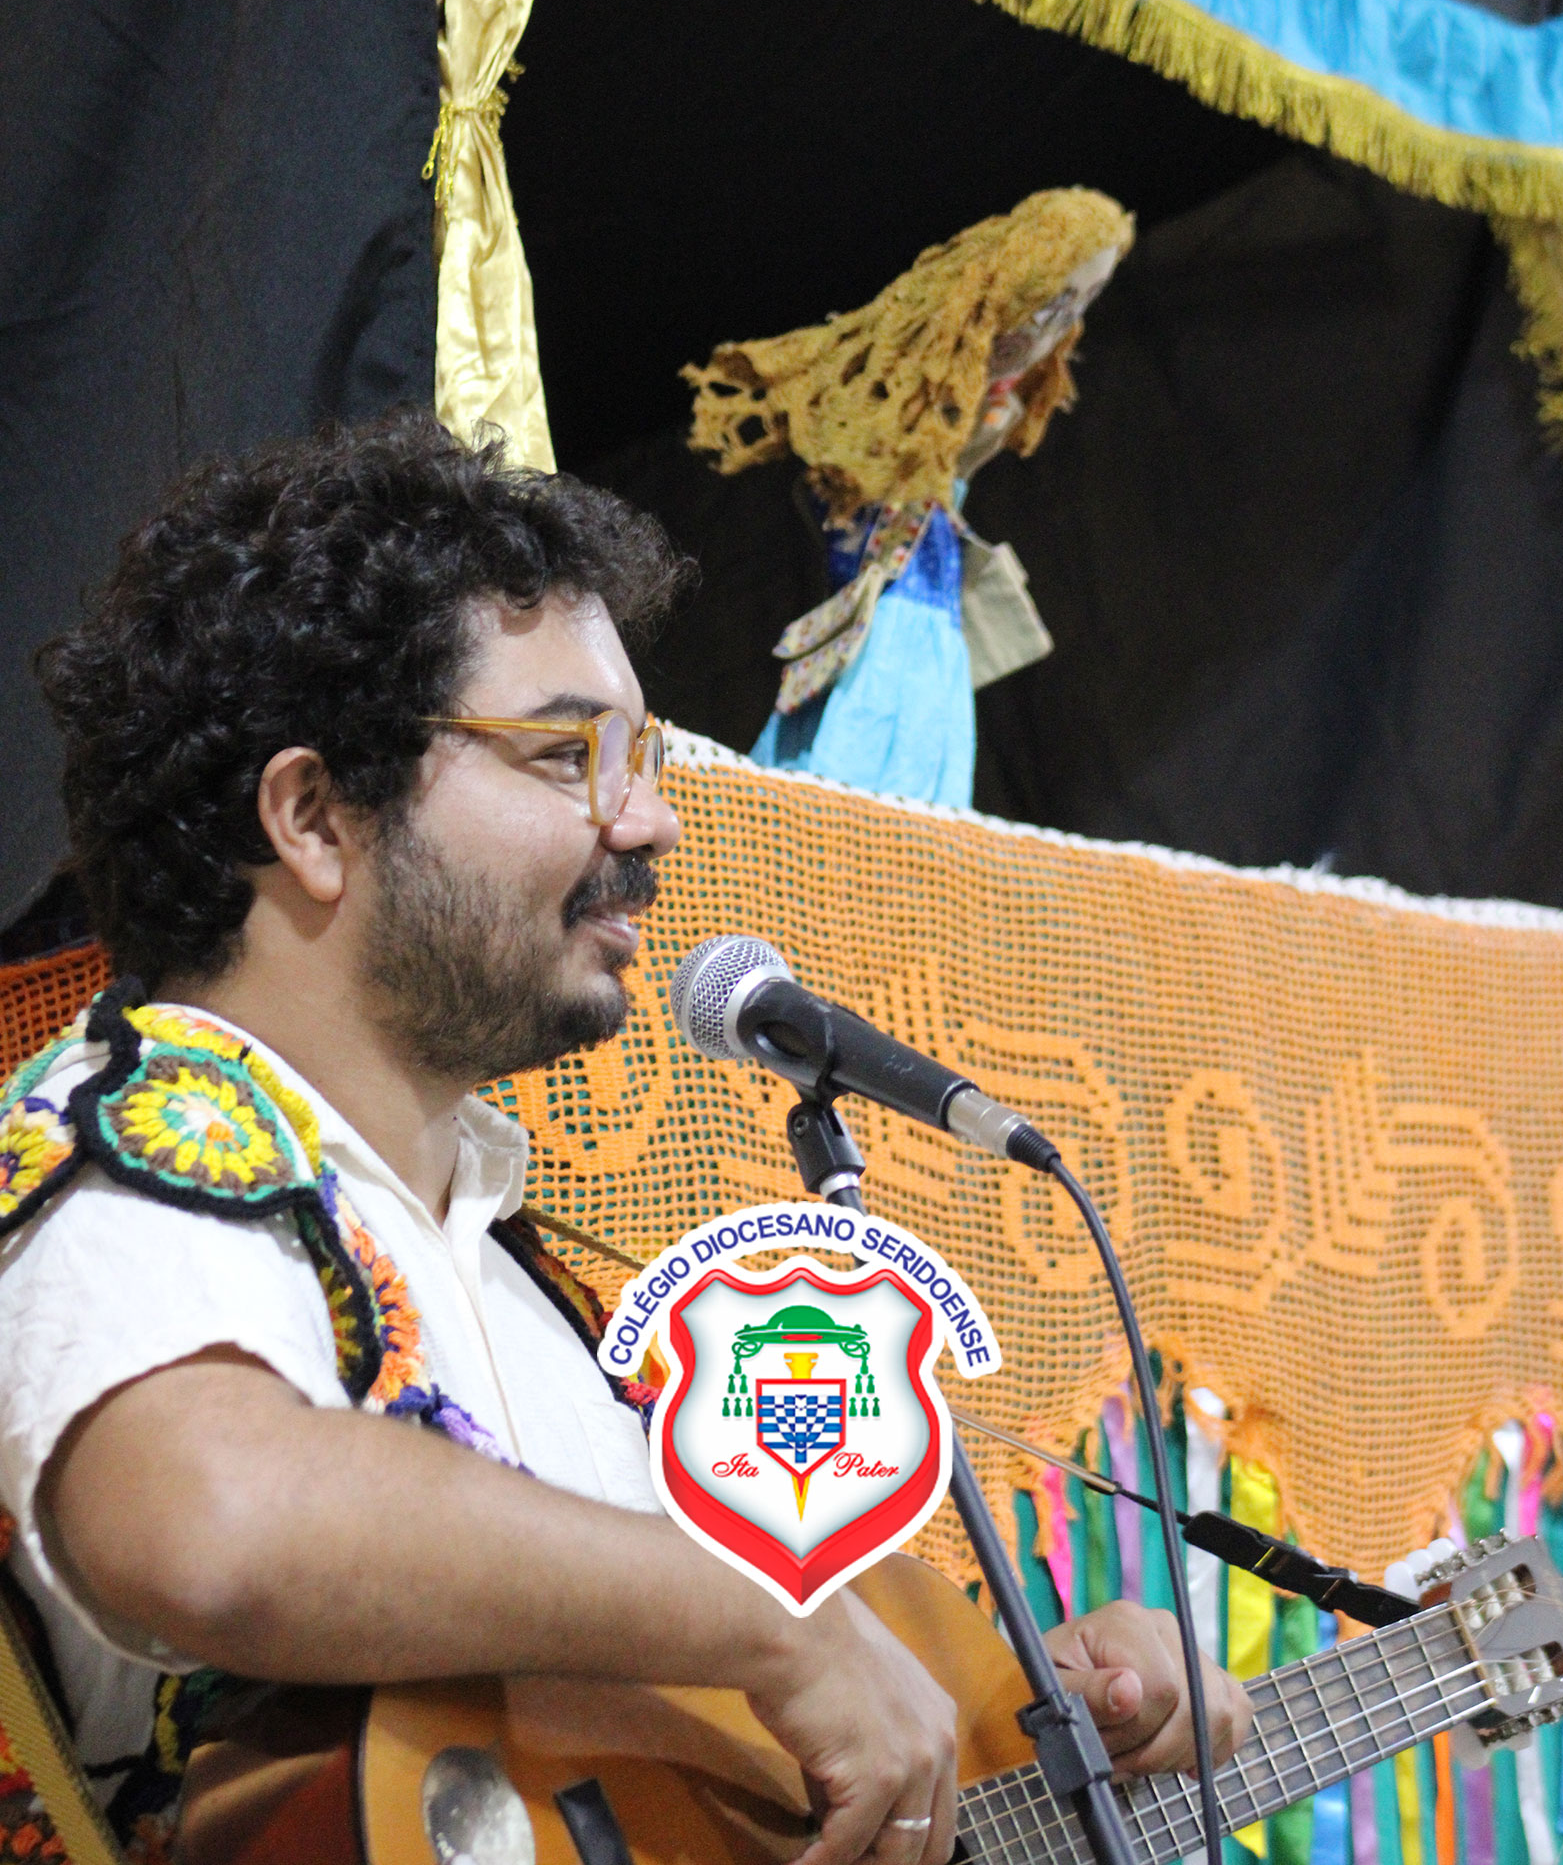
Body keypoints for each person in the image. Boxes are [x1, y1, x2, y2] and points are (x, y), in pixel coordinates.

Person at [0, 413, 1249, 1864]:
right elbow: (210, 1518)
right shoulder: (121, 1133)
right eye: (565, 756)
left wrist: (1042, 1724)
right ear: (315, 816)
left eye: (639, 758)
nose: (651, 822)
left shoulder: (527, 1281)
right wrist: (764, 1622)